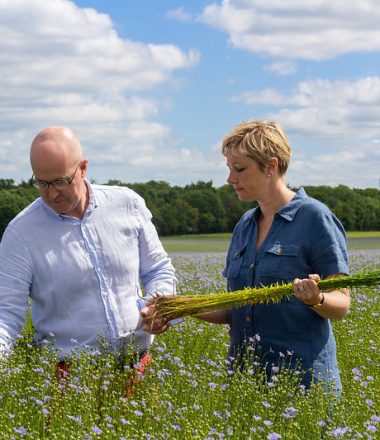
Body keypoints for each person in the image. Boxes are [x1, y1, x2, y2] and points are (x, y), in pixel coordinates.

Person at [0, 126, 175, 368]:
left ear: (83, 168)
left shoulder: (128, 204)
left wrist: (158, 308)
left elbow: (158, 270)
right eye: (41, 183)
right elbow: (6, 313)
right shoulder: (21, 233)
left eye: (60, 182)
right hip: (65, 374)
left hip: (137, 363)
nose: (51, 194)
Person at [198, 120, 350, 394]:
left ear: (270, 166)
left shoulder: (315, 218)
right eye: (230, 169)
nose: (231, 179)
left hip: (302, 385)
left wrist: (317, 299)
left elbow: (341, 303)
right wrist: (183, 307)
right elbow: (238, 310)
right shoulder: (244, 225)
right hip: (245, 382)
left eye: (240, 169)